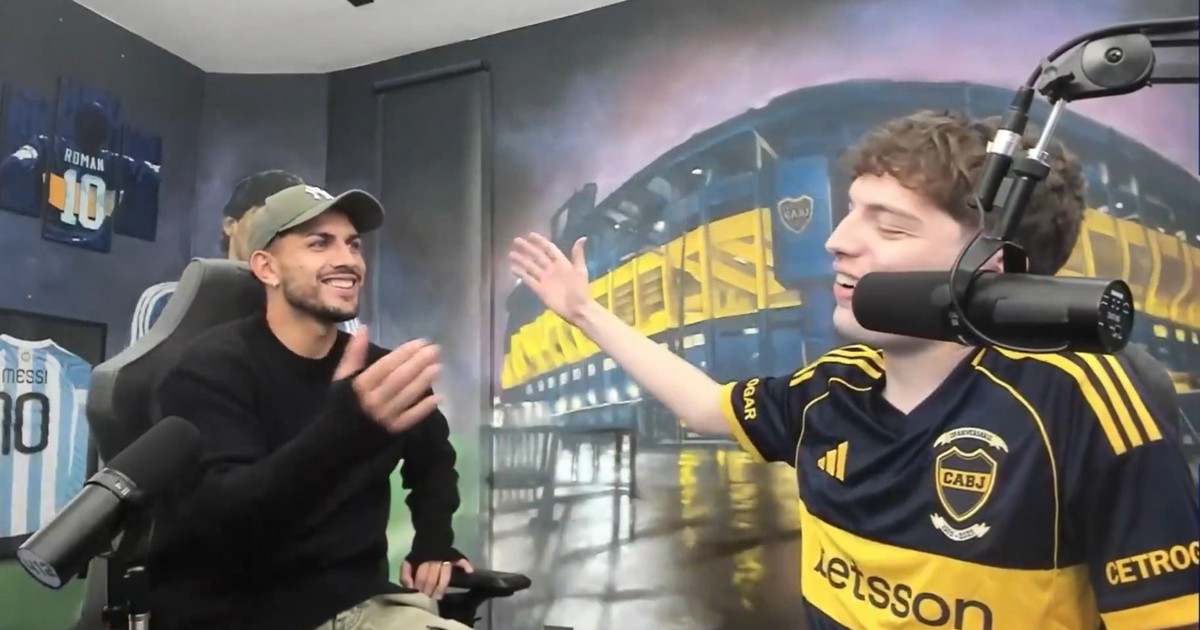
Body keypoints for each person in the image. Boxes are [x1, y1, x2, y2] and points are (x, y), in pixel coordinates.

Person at [510, 110, 1200, 629]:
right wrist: (584, 313)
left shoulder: (1085, 400)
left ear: (992, 267)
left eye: (889, 226)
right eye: (849, 214)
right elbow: (705, 407)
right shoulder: (834, 384)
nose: (837, 242)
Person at [147, 184, 473, 630]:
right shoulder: (209, 371)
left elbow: (434, 461)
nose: (347, 260)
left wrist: (434, 543)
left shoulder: (377, 374)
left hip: (357, 602)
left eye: (353, 245)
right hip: (240, 612)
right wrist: (344, 429)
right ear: (266, 268)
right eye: (320, 243)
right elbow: (227, 519)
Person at [129, 169, 363, 343]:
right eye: (267, 217)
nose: (277, 231)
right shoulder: (172, 301)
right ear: (231, 224)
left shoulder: (329, 303)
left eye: (294, 223)